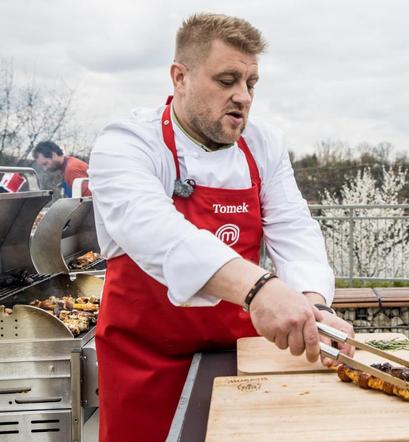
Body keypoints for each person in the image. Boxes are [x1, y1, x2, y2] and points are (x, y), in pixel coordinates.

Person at [88, 13, 355, 442]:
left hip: (240, 360)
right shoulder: (127, 141)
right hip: (144, 364)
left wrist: (314, 306)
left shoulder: (263, 144)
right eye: (227, 80)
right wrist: (260, 290)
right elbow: (154, 230)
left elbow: (293, 228)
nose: (243, 97)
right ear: (180, 77)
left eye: (251, 84)